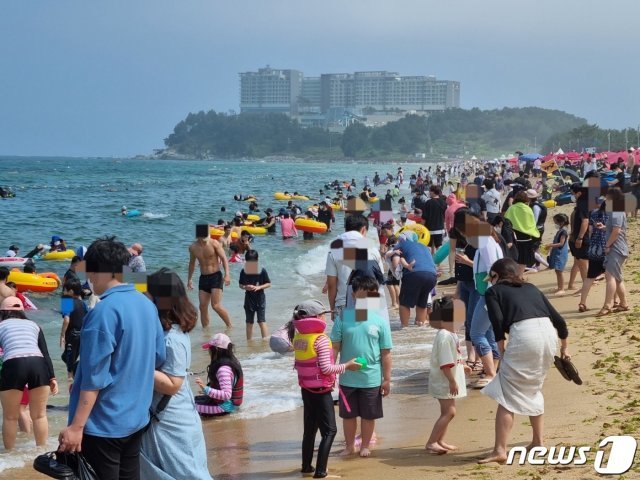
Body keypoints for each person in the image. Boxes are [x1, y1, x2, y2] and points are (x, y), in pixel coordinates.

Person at [58, 236, 166, 480]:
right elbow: (159, 356)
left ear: (101, 271)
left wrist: (76, 427)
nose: (89, 278)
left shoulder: (102, 312)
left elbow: (94, 378)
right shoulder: (147, 304)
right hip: (137, 417)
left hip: (104, 424)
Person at [479, 258, 569, 464]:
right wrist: (564, 347)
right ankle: (538, 441)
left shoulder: (493, 292)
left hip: (525, 335)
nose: (490, 282)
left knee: (506, 393)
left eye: (491, 278)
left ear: (496, 276)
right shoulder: (531, 288)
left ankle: (500, 450)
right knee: (533, 387)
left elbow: (497, 322)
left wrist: (501, 353)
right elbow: (559, 320)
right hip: (548, 336)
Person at [140, 268, 212, 480]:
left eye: (148, 295)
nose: (144, 300)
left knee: (185, 473)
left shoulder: (171, 339)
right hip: (172, 415)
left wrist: (136, 365)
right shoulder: (171, 331)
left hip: (171, 418)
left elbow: (173, 384)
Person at [291, 300, 360, 478]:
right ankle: (321, 471)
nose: (325, 317)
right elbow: (327, 369)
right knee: (330, 431)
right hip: (320, 391)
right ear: (317, 318)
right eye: (323, 314)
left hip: (306, 390)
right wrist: (348, 365)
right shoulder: (321, 339)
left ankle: (306, 467)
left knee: (310, 429)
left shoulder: (299, 338)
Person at [331, 276, 392, 457]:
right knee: (348, 415)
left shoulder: (380, 321)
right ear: (353, 294)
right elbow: (334, 347)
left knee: (369, 415)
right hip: (347, 377)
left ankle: (365, 445)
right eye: (362, 295)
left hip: (371, 377)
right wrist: (330, 372)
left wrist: (387, 379)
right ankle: (350, 446)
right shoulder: (343, 318)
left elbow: (386, 353)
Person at [0, 296, 58, 449]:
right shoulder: (34, 325)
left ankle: (10, 455)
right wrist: (52, 377)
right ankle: (41, 452)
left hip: (13, 364)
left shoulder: (1, 325)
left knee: (10, 417)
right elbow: (45, 353)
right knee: (40, 415)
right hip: (38, 364)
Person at [454, 212, 503, 388]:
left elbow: (493, 268)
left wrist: (490, 294)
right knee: (488, 334)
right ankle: (495, 371)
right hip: (489, 292)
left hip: (490, 294)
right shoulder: (487, 237)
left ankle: (490, 373)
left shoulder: (484, 240)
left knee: (476, 334)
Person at [425, 298, 470, 454]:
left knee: (447, 412)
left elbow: (454, 355)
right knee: (449, 412)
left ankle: (439, 440)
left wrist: (462, 365)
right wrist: (452, 381)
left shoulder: (451, 334)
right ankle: (431, 442)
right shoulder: (444, 336)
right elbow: (445, 363)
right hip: (444, 380)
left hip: (448, 378)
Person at [325, 213, 386, 321]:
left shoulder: (334, 251)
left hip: (343, 304)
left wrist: (332, 309)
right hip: (368, 303)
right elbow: (379, 279)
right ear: (363, 230)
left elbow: (331, 285)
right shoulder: (372, 249)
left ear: (345, 229)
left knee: (343, 337)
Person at [188, 224, 232, 328]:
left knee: (215, 305)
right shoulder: (193, 248)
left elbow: (224, 258)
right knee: (202, 306)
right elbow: (192, 263)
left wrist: (227, 274)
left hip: (215, 277)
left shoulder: (214, 243)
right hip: (203, 278)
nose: (205, 239)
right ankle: (205, 331)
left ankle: (230, 326)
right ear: (197, 236)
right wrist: (189, 279)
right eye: (203, 238)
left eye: (206, 237)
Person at [595, 187, 630, 317]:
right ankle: (623, 304)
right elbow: (613, 230)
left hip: (617, 248)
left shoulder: (616, 211)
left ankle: (607, 305)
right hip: (617, 246)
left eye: (607, 197)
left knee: (610, 276)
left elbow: (616, 231)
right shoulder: (615, 211)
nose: (606, 199)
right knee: (617, 277)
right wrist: (604, 228)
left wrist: (608, 246)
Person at [393, 232, 438, 327]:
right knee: (422, 302)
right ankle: (419, 326)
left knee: (404, 303)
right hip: (432, 275)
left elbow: (395, 261)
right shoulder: (424, 246)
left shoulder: (401, 244)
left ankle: (404, 328)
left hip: (414, 273)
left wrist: (395, 272)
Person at [194, 333, 243, 416]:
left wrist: (206, 389)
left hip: (225, 407)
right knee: (190, 400)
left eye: (210, 349)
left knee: (187, 407)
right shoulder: (232, 362)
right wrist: (207, 391)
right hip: (229, 404)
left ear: (216, 350)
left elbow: (227, 395)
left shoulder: (223, 370)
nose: (209, 352)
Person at [504, 191, 540, 276]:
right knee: (524, 260)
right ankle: (519, 276)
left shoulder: (511, 208)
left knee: (515, 258)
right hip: (527, 237)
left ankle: (517, 276)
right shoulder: (527, 209)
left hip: (514, 237)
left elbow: (506, 221)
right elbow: (532, 223)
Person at [239, 249, 271, 340]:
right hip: (249, 299)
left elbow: (268, 284)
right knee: (249, 322)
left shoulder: (262, 271)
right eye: (248, 262)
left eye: (252, 262)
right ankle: (249, 343)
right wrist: (245, 287)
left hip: (260, 298)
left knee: (261, 321)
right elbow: (240, 285)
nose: (250, 265)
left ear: (257, 261)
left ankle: (265, 342)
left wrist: (259, 287)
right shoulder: (243, 271)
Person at [59, 280, 87, 381]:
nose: (63, 292)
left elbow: (66, 319)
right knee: (67, 357)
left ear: (70, 291)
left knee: (69, 366)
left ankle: (70, 385)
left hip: (72, 335)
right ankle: (77, 376)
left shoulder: (66, 301)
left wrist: (62, 335)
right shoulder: (82, 303)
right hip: (82, 335)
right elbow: (87, 318)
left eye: (64, 290)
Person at [566, 183, 590, 292]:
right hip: (576, 238)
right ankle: (574, 285)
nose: (573, 196)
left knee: (582, 265)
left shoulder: (582, 205)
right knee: (578, 263)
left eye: (573, 194)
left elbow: (585, 221)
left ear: (579, 193)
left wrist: (580, 238)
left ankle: (585, 288)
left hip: (581, 239)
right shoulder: (584, 203)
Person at [544, 214, 569, 295]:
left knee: (559, 271)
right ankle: (559, 287)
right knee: (557, 271)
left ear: (561, 222)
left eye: (555, 222)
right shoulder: (561, 230)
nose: (555, 224)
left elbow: (561, 243)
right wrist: (550, 245)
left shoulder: (564, 232)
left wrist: (550, 245)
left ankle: (562, 288)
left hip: (561, 254)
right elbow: (557, 242)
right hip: (557, 253)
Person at [421, 185, 447, 253]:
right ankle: (437, 263)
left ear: (433, 192)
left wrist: (421, 228)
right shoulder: (444, 203)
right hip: (440, 229)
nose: (429, 192)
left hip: (429, 229)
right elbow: (445, 217)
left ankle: (430, 262)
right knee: (438, 247)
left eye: (430, 191)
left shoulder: (428, 202)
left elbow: (424, 217)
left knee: (429, 247)